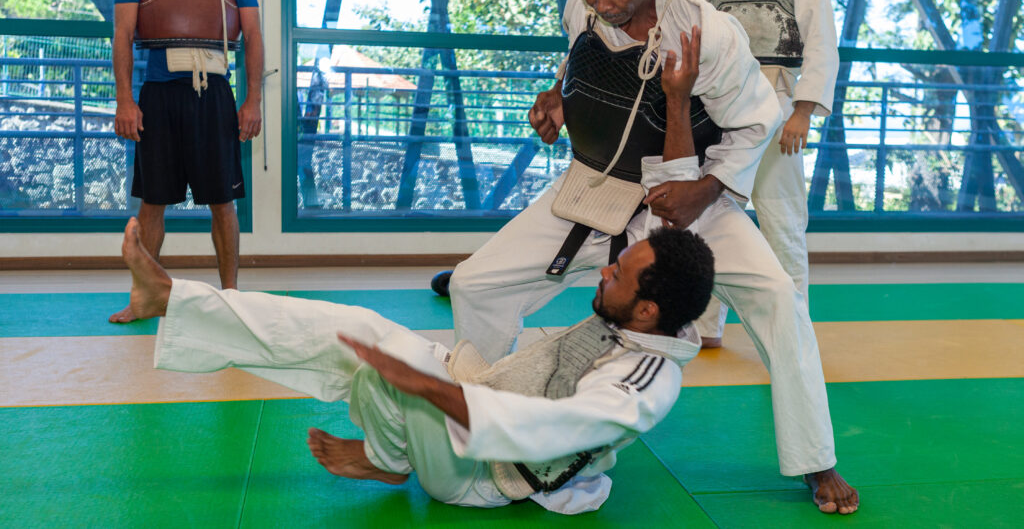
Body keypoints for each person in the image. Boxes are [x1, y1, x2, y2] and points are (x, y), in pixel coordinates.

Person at [447, 0, 858, 514]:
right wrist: (558, 97)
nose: (602, 5)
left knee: (777, 295)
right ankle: (480, 428)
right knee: (475, 283)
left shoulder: (707, 33)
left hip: (691, 196)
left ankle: (814, 457)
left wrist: (708, 189)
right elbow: (578, 55)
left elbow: (756, 123)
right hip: (595, 187)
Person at [121, 214, 715, 514]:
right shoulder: (640, 320)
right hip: (480, 399)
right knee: (357, 329)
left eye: (619, 273)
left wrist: (427, 387)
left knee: (387, 371)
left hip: (487, 477)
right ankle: (172, 297)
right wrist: (433, 382)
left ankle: (386, 460)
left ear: (647, 310)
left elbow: (551, 429)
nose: (605, 270)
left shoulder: (646, 384)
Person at [689, 0, 839, 343]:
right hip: (719, 107)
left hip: (777, 104)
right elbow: (692, 42)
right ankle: (705, 324)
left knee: (782, 220)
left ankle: (794, 330)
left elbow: (821, 43)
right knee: (709, 218)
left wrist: (803, 111)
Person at [109, 0, 264, 323]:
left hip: (214, 94)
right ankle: (145, 296)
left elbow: (253, 35)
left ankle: (232, 296)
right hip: (159, 94)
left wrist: (253, 100)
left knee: (223, 202)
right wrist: (124, 100)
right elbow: (122, 34)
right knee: (153, 201)